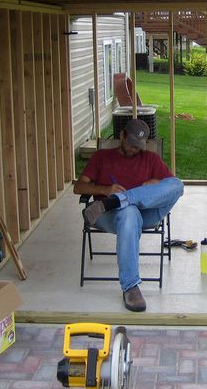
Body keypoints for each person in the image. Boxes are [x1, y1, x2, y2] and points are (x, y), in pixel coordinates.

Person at [73, 118, 184, 312]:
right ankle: (131, 286)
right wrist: (106, 190)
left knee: (178, 185)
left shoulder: (150, 159)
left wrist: (156, 182)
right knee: (129, 213)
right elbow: (78, 187)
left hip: (146, 213)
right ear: (122, 135)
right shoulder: (101, 157)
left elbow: (170, 186)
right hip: (106, 214)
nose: (134, 149)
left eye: (138, 146)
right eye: (131, 144)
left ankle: (122, 199)